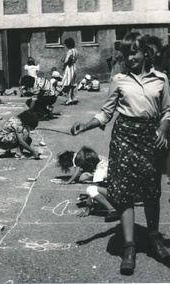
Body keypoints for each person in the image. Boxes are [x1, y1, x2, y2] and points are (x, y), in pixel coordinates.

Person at [71, 32, 170, 275]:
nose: (129, 57)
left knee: (150, 190)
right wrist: (86, 125)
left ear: (145, 53)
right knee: (124, 193)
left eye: (133, 52)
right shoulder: (119, 80)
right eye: (126, 54)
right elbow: (106, 113)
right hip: (124, 138)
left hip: (151, 139)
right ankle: (129, 247)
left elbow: (168, 109)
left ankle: (155, 240)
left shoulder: (161, 79)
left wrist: (164, 127)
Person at [56, 146, 119, 222]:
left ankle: (112, 210)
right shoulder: (102, 164)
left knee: (90, 190)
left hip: (118, 195)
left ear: (90, 165)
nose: (82, 171)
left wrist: (87, 210)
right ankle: (107, 204)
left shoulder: (99, 172)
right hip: (118, 188)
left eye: (83, 168)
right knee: (99, 187)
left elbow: (91, 195)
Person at [61, 37, 78, 105]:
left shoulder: (70, 51)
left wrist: (63, 60)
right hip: (74, 66)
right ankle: (74, 98)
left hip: (69, 67)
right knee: (73, 84)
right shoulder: (76, 51)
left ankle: (69, 99)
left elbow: (66, 61)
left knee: (67, 83)